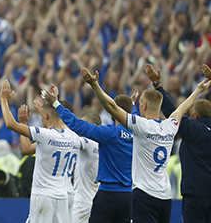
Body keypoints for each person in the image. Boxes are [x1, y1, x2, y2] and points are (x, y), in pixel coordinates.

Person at [82, 68, 211, 223]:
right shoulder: (170, 125)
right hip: (165, 196)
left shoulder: (141, 126)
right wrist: (197, 90)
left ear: (142, 106)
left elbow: (112, 107)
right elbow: (181, 108)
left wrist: (94, 85)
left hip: (144, 194)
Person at [0, 80, 80, 223]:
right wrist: (54, 103)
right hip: (63, 195)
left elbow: (11, 124)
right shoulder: (73, 136)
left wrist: (4, 100)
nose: (41, 118)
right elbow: (27, 150)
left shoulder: (45, 135)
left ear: (47, 117)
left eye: (42, 116)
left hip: (43, 195)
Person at [53, 86, 135, 223]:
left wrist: (56, 104)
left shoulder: (109, 133)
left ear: (112, 112)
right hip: (129, 195)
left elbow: (78, 125)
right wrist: (132, 105)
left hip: (108, 195)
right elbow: (134, 118)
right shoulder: (138, 133)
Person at [147, 64, 211, 222]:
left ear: (194, 115)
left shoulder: (194, 130)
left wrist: (158, 86)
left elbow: (172, 113)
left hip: (195, 195)